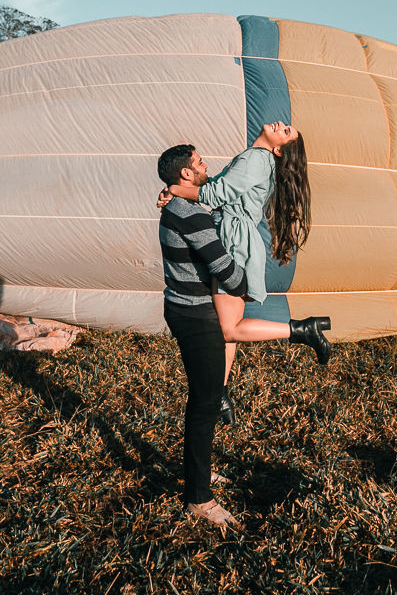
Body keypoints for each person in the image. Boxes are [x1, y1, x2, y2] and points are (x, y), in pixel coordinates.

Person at [158, 121, 332, 424]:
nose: (282, 125)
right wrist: (178, 192)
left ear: (279, 150)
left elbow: (216, 194)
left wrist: (174, 189)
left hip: (234, 240)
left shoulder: (256, 158)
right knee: (228, 326)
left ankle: (302, 330)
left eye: (286, 132)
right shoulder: (255, 157)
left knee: (228, 329)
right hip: (239, 236)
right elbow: (217, 188)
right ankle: (220, 393)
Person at [157, 143, 248, 528]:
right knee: (205, 403)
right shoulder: (190, 215)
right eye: (199, 162)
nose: (205, 164)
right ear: (186, 174)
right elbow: (225, 269)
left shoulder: (180, 206)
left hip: (184, 308)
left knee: (204, 401)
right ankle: (198, 498)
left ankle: (200, 472)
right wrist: (246, 282)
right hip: (195, 316)